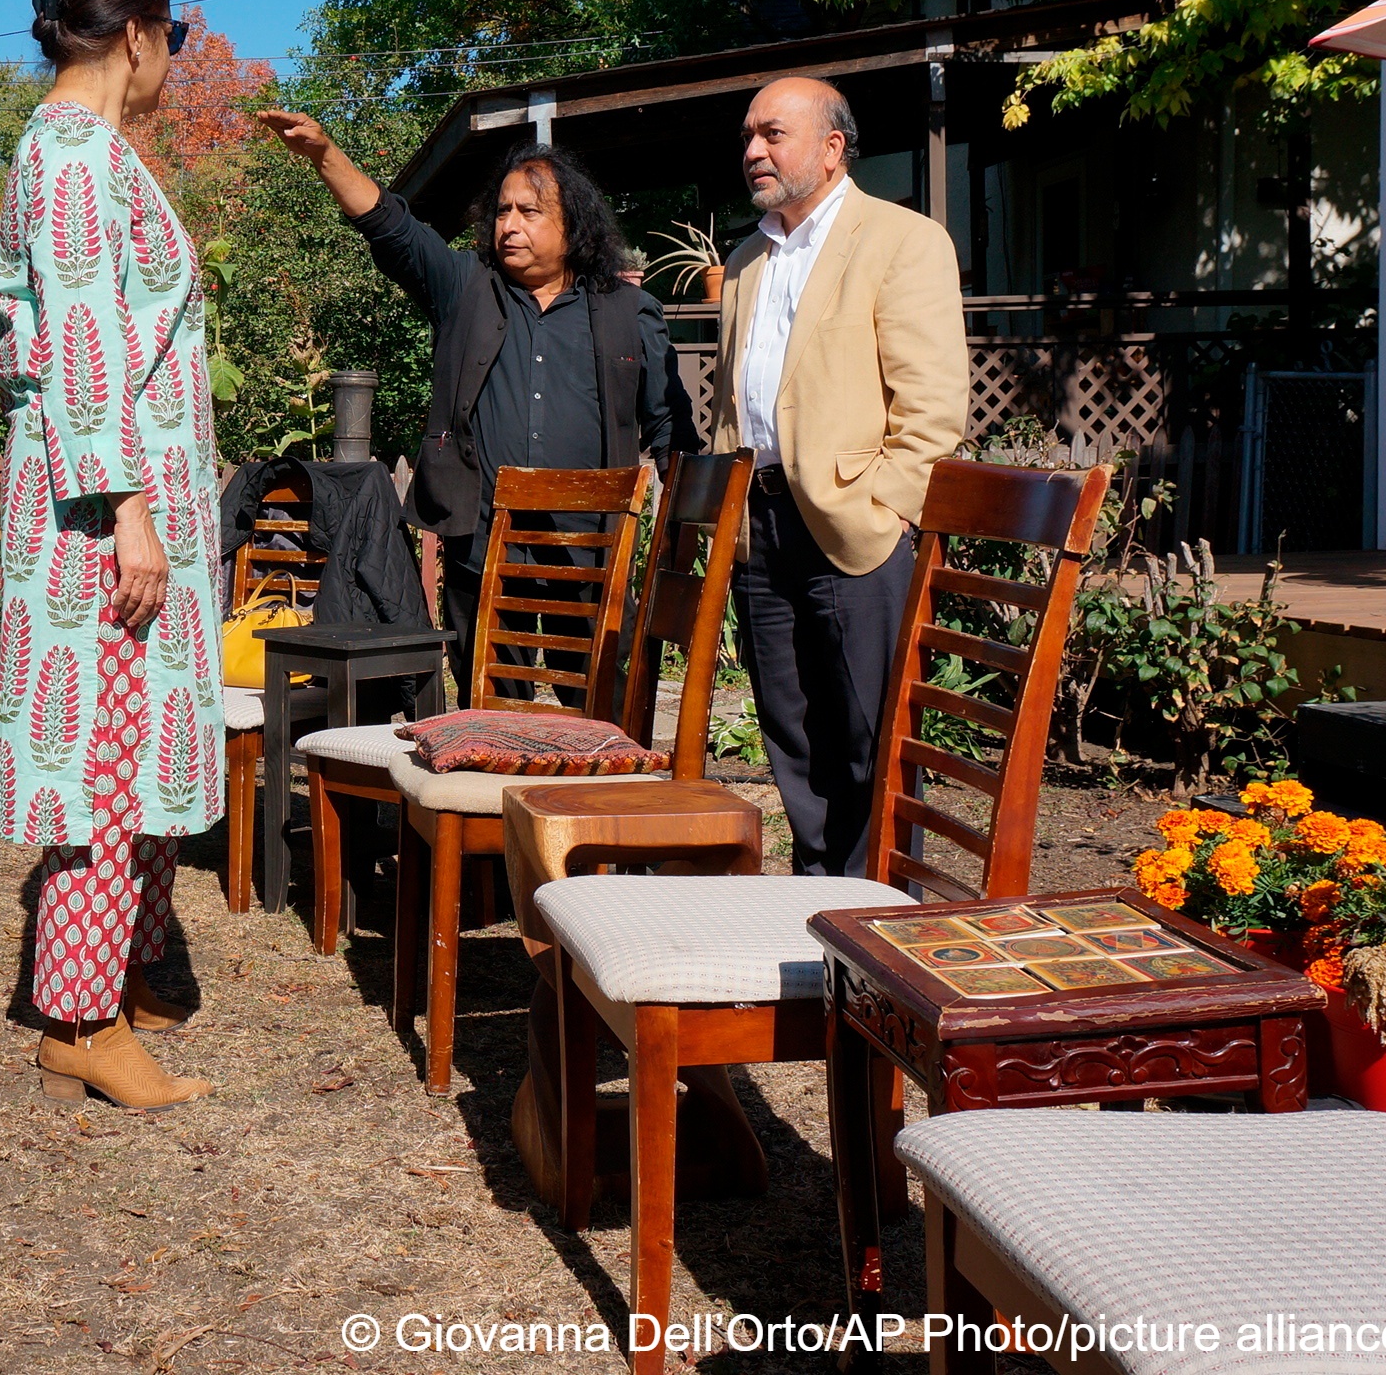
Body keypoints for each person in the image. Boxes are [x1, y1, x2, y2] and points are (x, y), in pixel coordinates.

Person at [0, 0, 224, 1112]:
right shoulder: (76, 155)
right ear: (136, 33)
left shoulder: (83, 153)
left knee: (129, 762)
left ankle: (114, 980)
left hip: (118, 502)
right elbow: (83, 351)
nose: (173, 61)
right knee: (104, 769)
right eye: (173, 37)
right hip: (102, 515)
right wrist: (132, 511)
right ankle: (80, 1020)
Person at [256, 113, 697, 697]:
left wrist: (688, 537)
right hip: (483, 543)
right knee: (489, 708)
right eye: (503, 211)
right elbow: (393, 227)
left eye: (530, 212)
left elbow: (671, 425)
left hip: (590, 546)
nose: (509, 225)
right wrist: (326, 155)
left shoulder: (627, 311)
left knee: (600, 709)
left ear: (574, 226)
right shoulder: (465, 285)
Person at [711, 76, 966, 876]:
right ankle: (816, 903)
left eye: (773, 133)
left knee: (870, 736)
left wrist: (889, 509)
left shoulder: (902, 240)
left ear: (832, 148)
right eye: (749, 135)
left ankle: (879, 923)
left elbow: (931, 408)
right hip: (762, 524)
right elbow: (732, 400)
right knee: (790, 730)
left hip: (857, 526)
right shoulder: (749, 259)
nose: (753, 149)